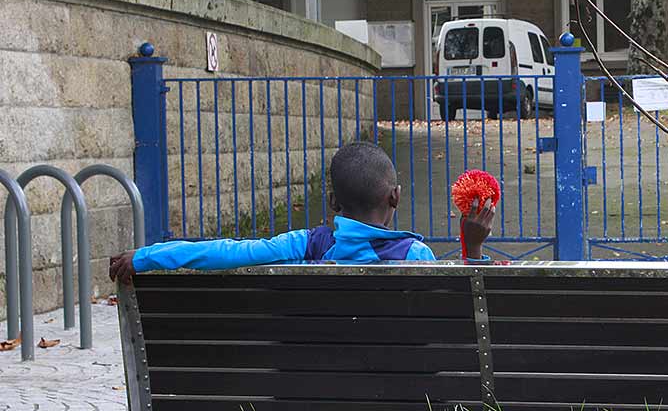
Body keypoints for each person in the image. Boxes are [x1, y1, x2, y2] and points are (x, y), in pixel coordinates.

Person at [108, 141, 495, 282]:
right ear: (394, 197)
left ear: (332, 203)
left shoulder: (303, 245)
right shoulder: (416, 258)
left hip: (306, 393)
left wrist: (145, 256)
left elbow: (226, 252)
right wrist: (471, 249)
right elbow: (466, 312)